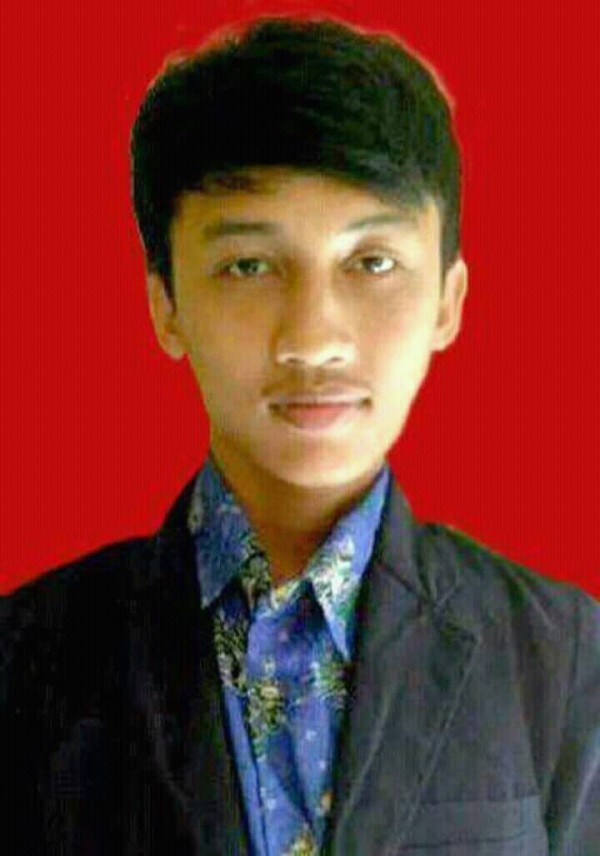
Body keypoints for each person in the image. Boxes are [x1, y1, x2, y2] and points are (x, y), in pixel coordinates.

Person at [1, 15, 598, 856]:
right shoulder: (25, 656)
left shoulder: (564, 657)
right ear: (165, 304)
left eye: (372, 262)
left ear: (448, 301)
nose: (313, 340)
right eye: (248, 266)